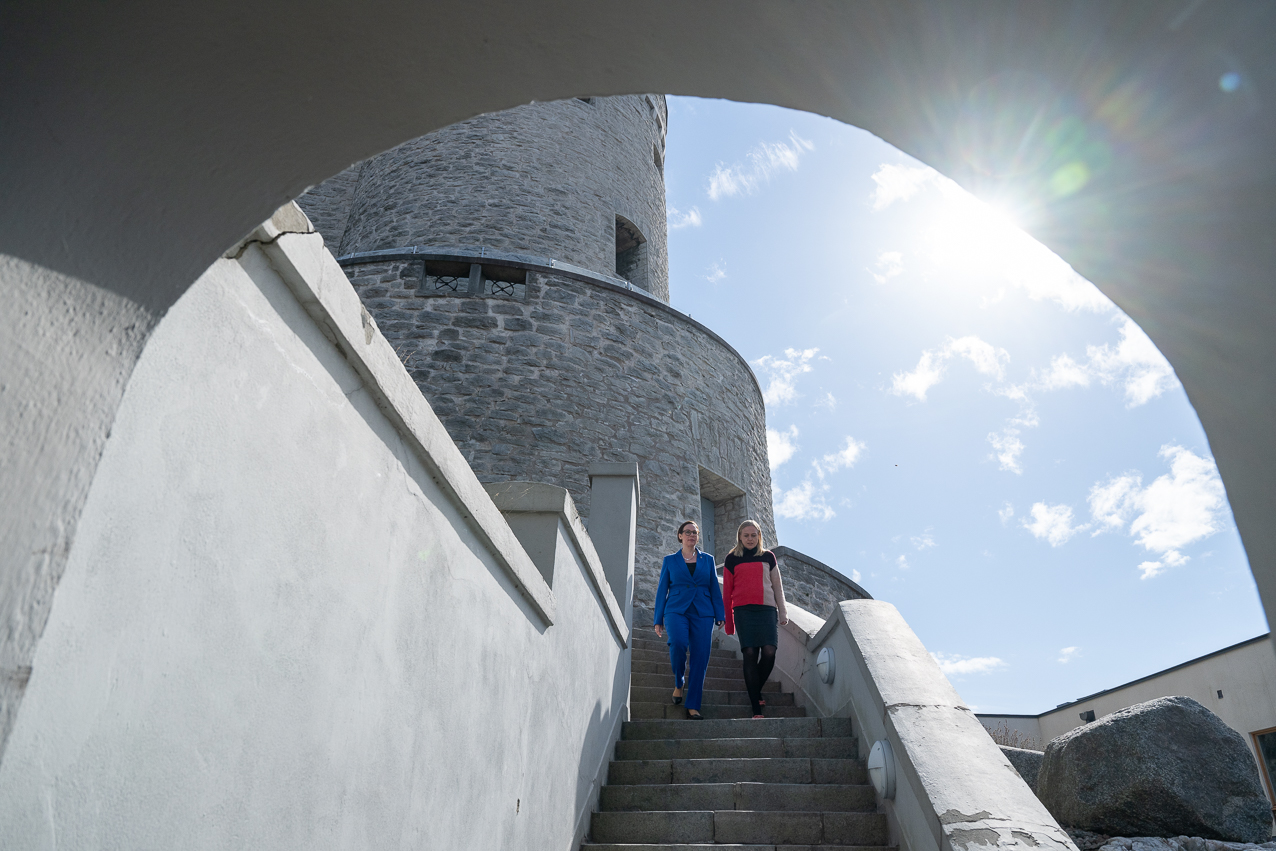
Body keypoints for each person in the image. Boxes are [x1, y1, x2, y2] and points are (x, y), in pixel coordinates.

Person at [653, 520, 724, 720]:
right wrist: (658, 618)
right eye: (688, 532)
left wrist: (720, 614)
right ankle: (678, 682)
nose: (692, 535)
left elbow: (713, 588)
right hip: (676, 609)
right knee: (677, 643)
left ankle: (693, 705)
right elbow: (661, 590)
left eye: (695, 532)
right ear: (680, 536)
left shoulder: (707, 560)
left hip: (703, 611)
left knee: (700, 657)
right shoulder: (670, 560)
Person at [722, 520, 788, 718]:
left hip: (767, 610)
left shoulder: (768, 557)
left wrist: (783, 611)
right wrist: (729, 621)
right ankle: (755, 707)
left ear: (759, 536)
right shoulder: (732, 558)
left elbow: (777, 586)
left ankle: (754, 688)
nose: (750, 539)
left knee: (769, 652)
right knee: (750, 653)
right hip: (743, 611)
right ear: (740, 538)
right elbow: (727, 593)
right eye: (746, 536)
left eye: (753, 535)